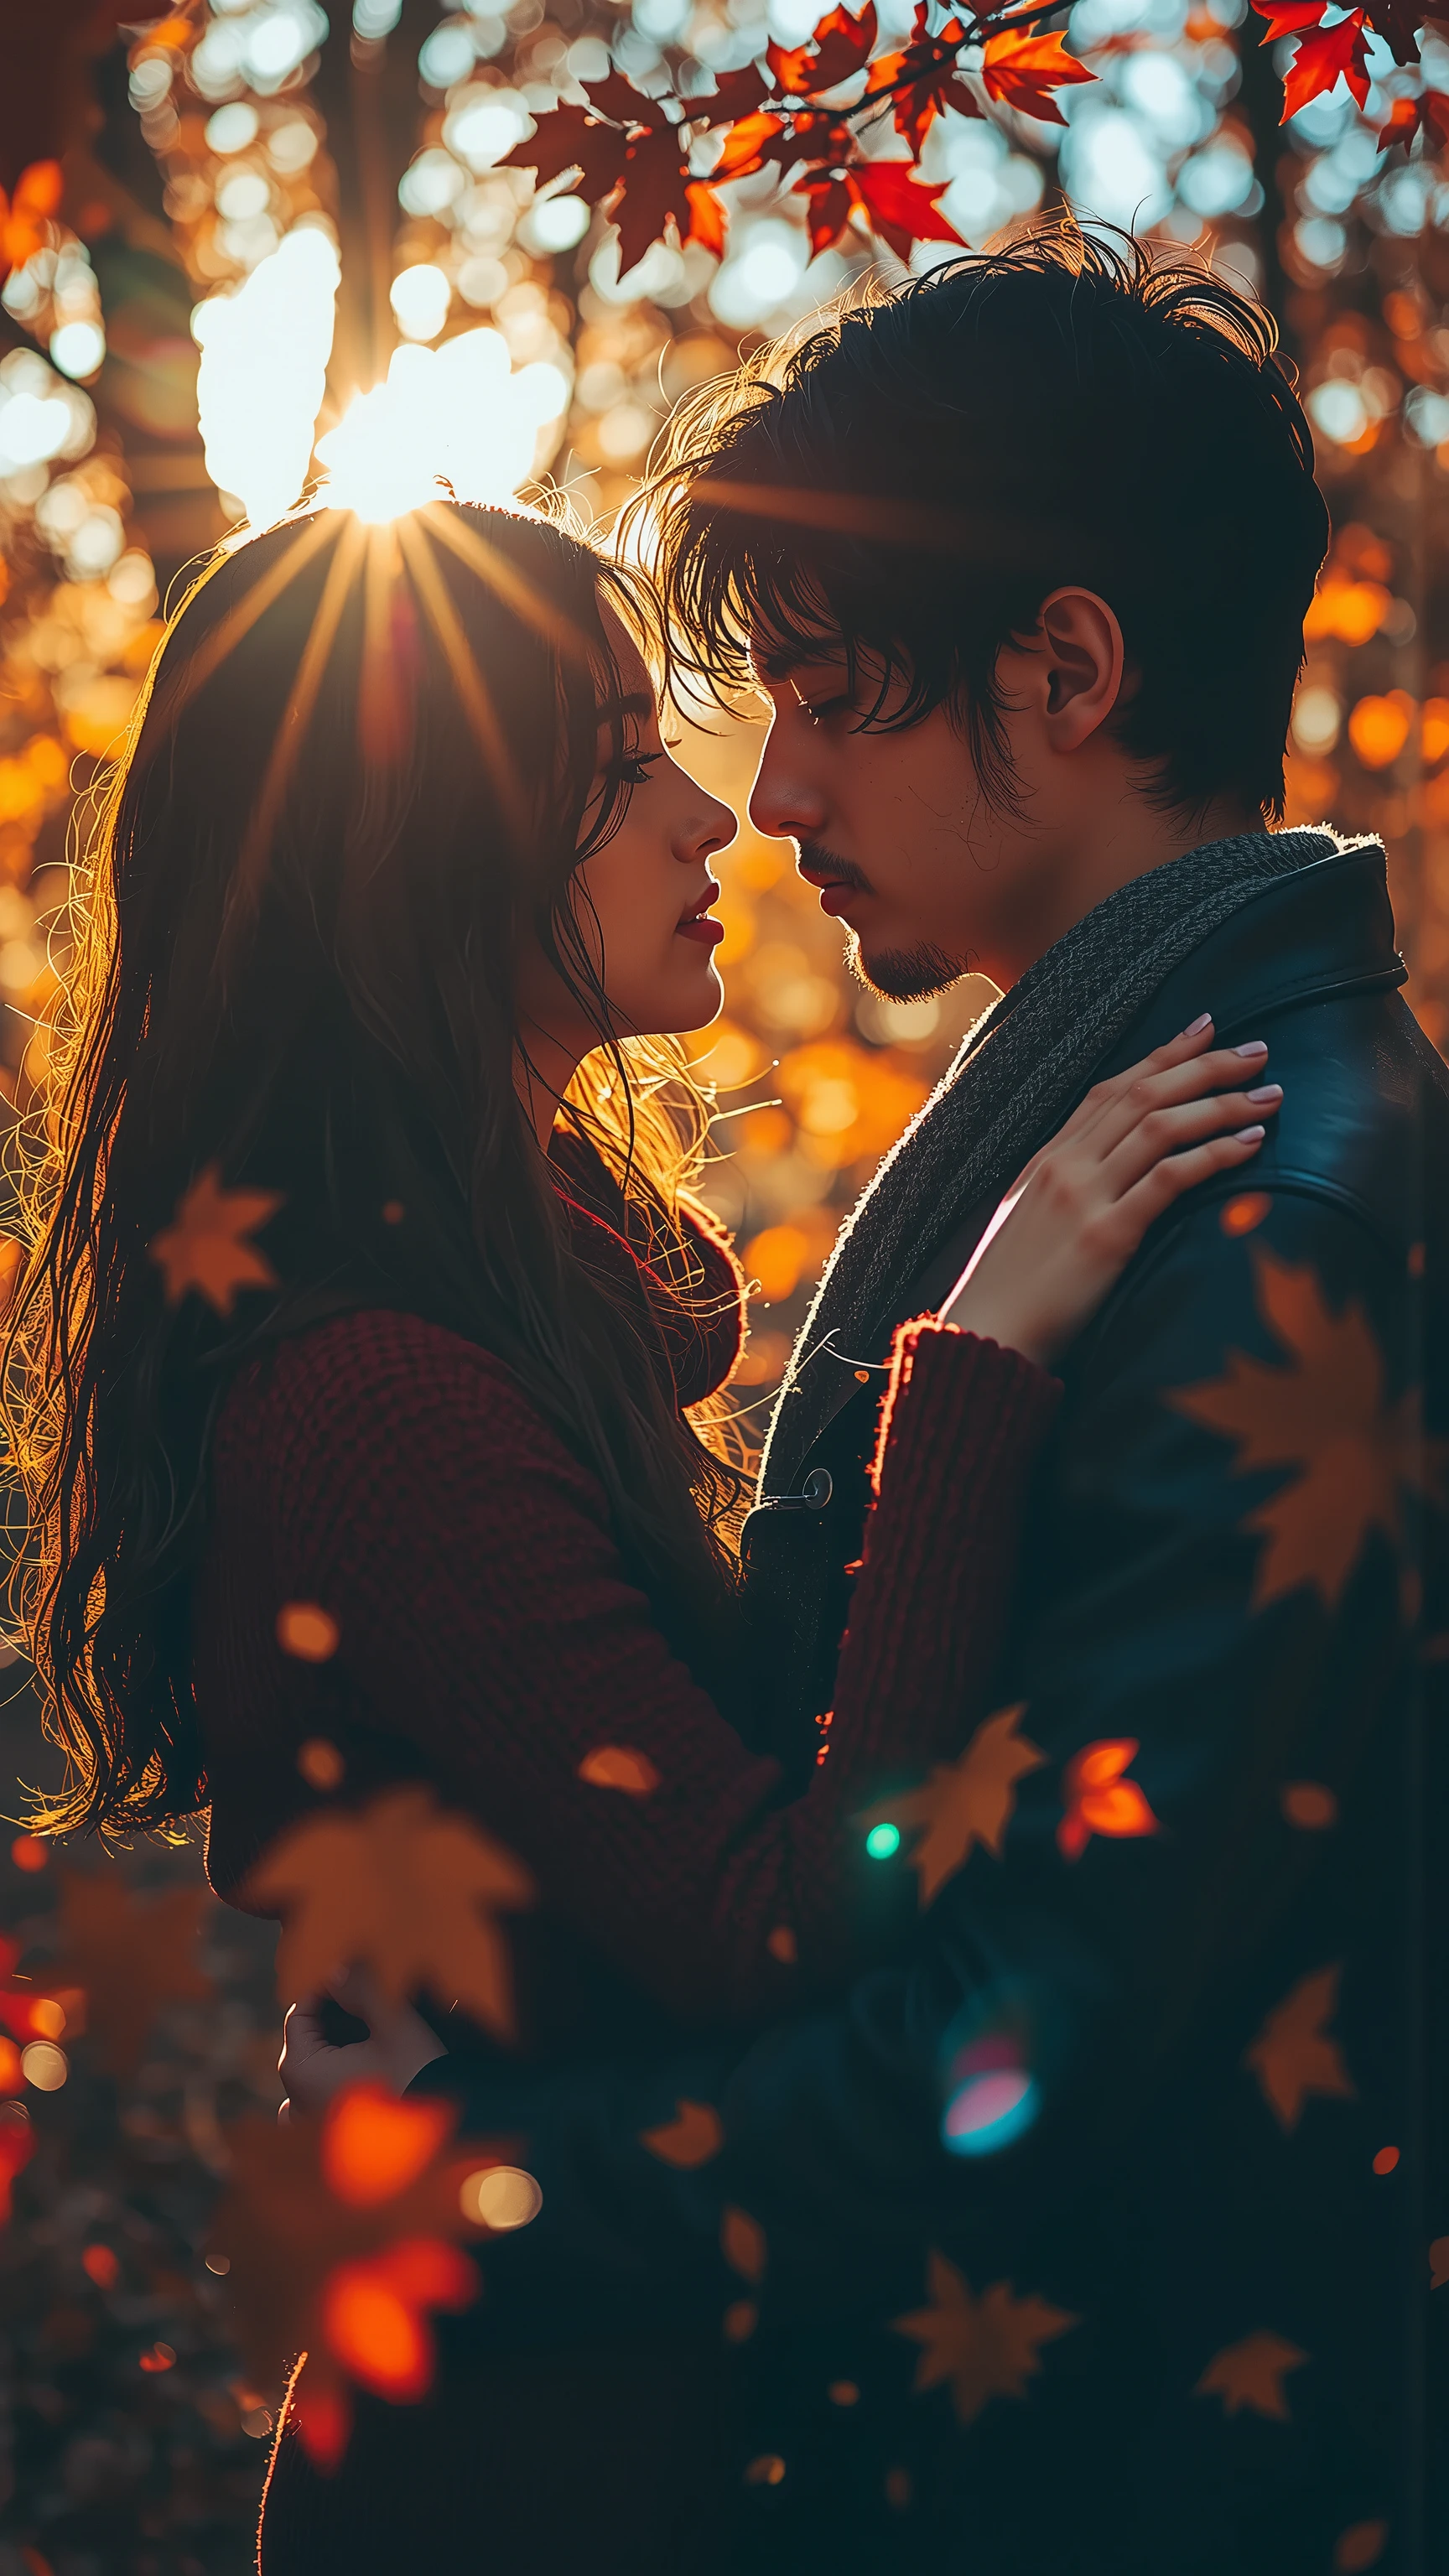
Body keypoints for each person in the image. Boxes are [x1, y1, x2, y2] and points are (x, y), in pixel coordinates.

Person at [288, 234, 1449, 2573]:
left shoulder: (1263, 1235)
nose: (772, 786)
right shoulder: (1143, 1153)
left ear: (1071, 667)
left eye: (830, 699)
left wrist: (477, 2208)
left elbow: (1019, 2049)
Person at [0, 491, 1270, 2571]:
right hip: (522, 2484)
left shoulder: (504, 1317)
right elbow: (769, 1913)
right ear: (426, 854)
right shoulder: (378, 1395)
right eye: (617, 771)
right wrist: (983, 1362)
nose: (713, 816)